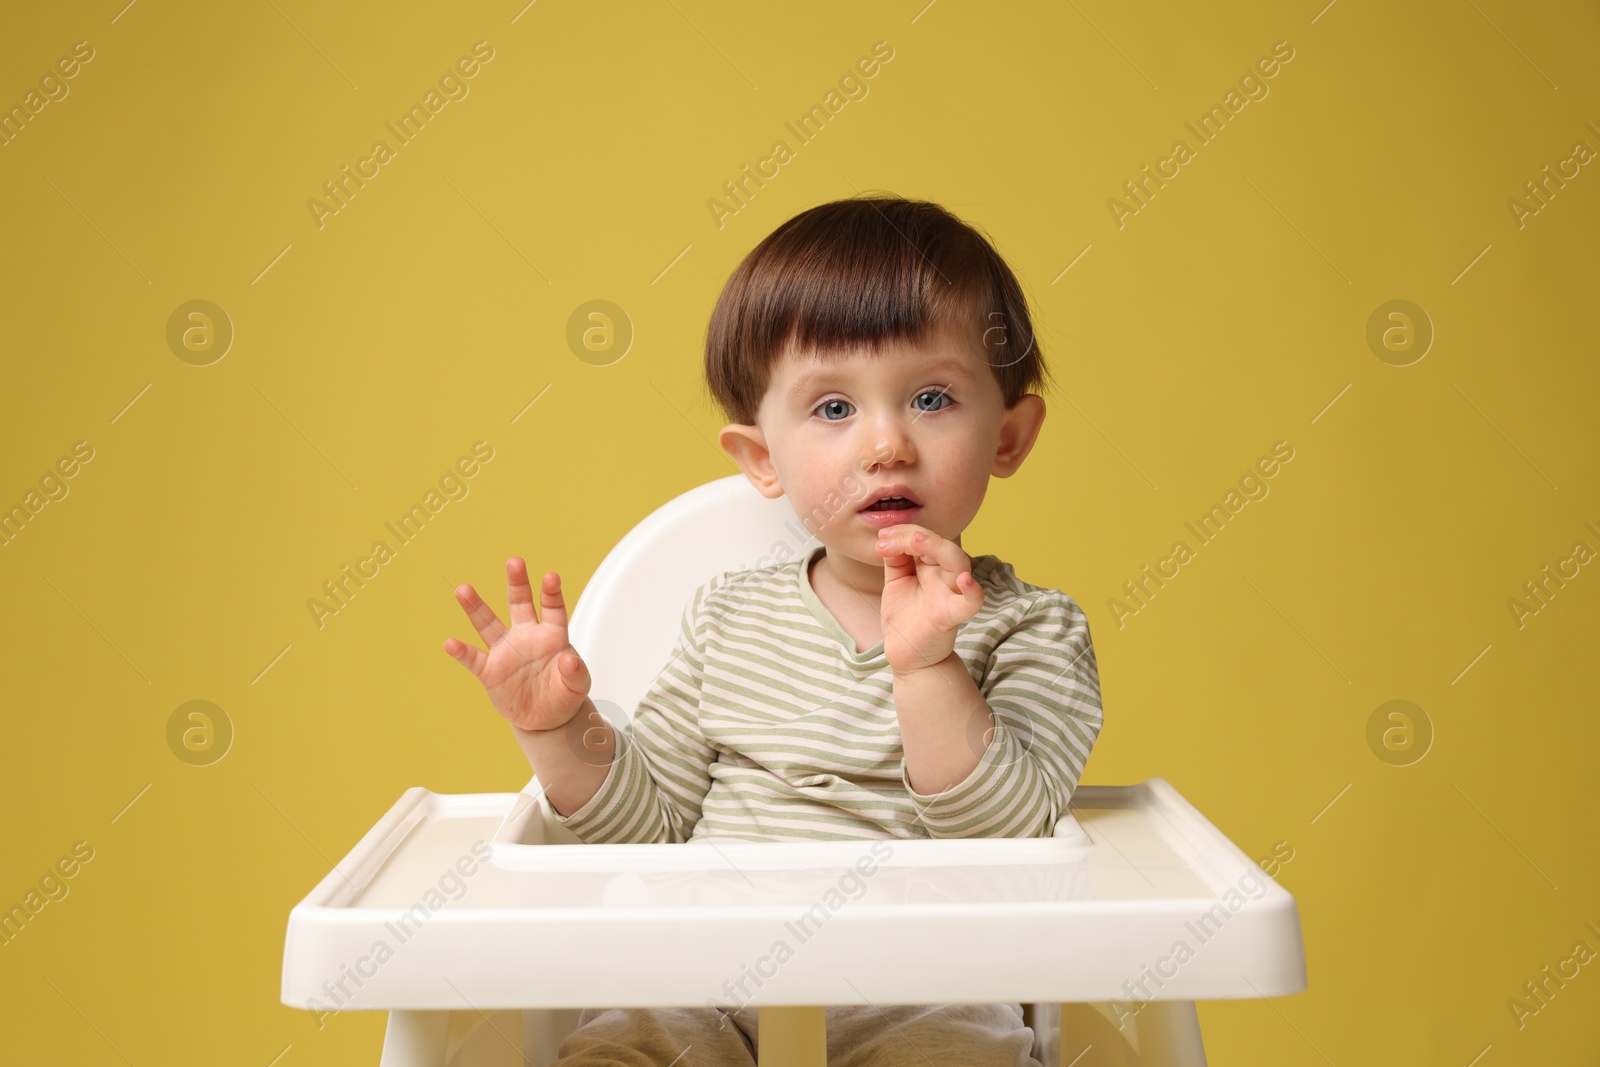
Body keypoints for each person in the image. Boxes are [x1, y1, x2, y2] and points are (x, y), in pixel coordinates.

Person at [443, 194, 1104, 1066]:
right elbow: (649, 829)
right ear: (762, 458)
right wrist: (559, 729)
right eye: (833, 409)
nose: (885, 444)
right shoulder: (727, 618)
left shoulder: (1032, 630)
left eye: (932, 397)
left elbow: (1012, 841)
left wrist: (927, 665)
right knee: (624, 1048)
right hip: (705, 977)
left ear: (1009, 436)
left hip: (926, 982)